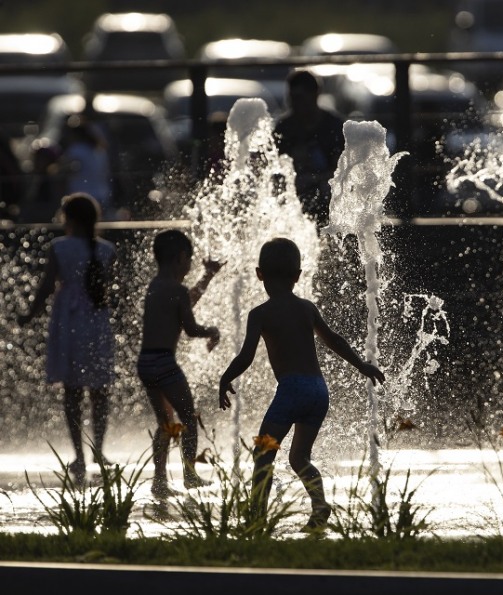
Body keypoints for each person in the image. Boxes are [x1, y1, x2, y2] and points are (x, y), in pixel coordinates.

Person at [218, 237, 385, 531]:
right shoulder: (307, 308)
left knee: (263, 454)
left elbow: (246, 355)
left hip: (292, 390)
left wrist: (225, 378)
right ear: (297, 276)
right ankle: (319, 505)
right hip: (318, 391)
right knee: (299, 457)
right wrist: (362, 365)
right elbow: (334, 340)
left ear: (259, 274)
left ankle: (256, 517)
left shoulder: (260, 314)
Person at [17, 192, 117, 484]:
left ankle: (79, 456)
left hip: (70, 323)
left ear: (68, 219)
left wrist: (29, 315)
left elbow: (47, 286)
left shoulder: (60, 247)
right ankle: (99, 449)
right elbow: (110, 289)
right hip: (97, 323)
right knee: (100, 391)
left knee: (72, 392)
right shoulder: (106, 250)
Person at [137, 229, 222, 499]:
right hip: (164, 362)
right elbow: (190, 327)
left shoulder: (155, 287)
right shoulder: (176, 290)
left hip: (146, 362)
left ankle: (159, 480)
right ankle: (190, 475)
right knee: (188, 417)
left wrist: (207, 276)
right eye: (190, 261)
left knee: (166, 423)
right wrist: (213, 331)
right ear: (180, 258)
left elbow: (187, 301)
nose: (189, 266)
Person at [274, 70, 345, 229]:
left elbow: (342, 170)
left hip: (326, 194)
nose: (295, 104)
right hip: (297, 192)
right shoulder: (284, 128)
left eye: (300, 98)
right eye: (292, 98)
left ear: (315, 95)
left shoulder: (333, 127)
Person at [61, 115, 113, 219]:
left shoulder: (76, 150)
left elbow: (67, 168)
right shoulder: (99, 151)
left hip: (81, 198)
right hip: (102, 196)